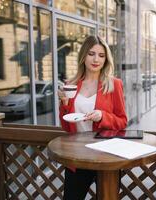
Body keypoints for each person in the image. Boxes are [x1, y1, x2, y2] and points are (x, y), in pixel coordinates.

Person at [58, 35, 127, 199]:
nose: (96, 59)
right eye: (91, 54)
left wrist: (102, 116)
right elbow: (67, 127)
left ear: (106, 60)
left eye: (101, 55)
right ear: (83, 56)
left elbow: (122, 121)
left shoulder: (114, 84)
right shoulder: (71, 84)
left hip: (106, 155)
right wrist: (65, 103)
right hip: (77, 155)